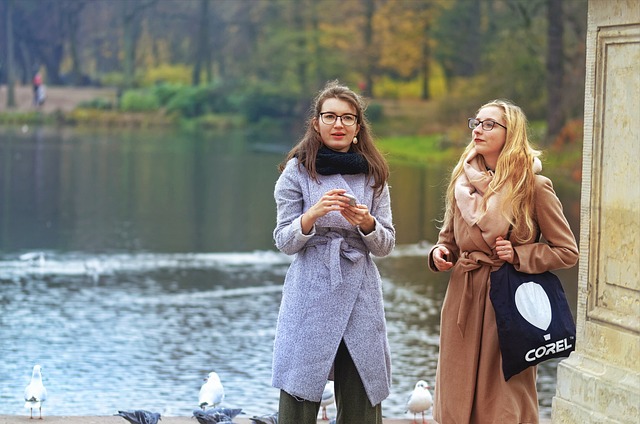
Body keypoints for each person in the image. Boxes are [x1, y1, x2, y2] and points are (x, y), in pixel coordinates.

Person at [427, 99, 579, 423]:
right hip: (463, 302)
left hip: (509, 302)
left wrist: (520, 254)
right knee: (455, 395)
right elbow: (448, 240)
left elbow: (566, 251)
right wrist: (440, 254)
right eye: (476, 122)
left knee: (504, 400)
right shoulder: (462, 183)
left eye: (489, 124)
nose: (478, 130)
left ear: (511, 134)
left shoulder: (534, 187)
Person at [271, 80, 395, 424]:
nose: (338, 124)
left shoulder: (374, 175)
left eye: (346, 118)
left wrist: (367, 223)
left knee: (363, 390)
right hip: (312, 289)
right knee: (300, 386)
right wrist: (312, 215)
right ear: (316, 123)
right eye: (330, 117)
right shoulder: (297, 171)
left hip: (360, 292)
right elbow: (284, 240)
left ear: (358, 127)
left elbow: (385, 245)